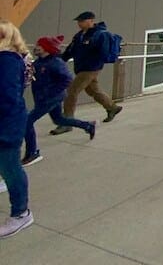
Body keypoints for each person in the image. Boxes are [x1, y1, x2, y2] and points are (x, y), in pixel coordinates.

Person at [22, 36, 96, 167]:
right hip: (43, 98)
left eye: (39, 45)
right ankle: (87, 125)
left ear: (47, 48)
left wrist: (50, 93)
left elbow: (67, 79)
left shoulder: (56, 63)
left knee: (27, 121)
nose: (36, 47)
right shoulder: (39, 62)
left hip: (51, 98)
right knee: (59, 120)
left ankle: (32, 152)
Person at [56, 11, 122, 134]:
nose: (79, 24)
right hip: (81, 67)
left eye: (82, 21)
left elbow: (103, 53)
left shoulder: (100, 35)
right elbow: (71, 50)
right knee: (92, 90)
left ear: (91, 21)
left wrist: (94, 61)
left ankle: (67, 121)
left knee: (71, 91)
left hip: (91, 68)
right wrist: (61, 59)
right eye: (78, 21)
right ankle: (112, 107)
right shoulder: (80, 35)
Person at [0, 20, 34, 238]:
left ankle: (21, 213)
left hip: (7, 123)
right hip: (10, 119)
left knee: (11, 166)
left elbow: (6, 96)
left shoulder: (7, 61)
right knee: (7, 163)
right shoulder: (15, 59)